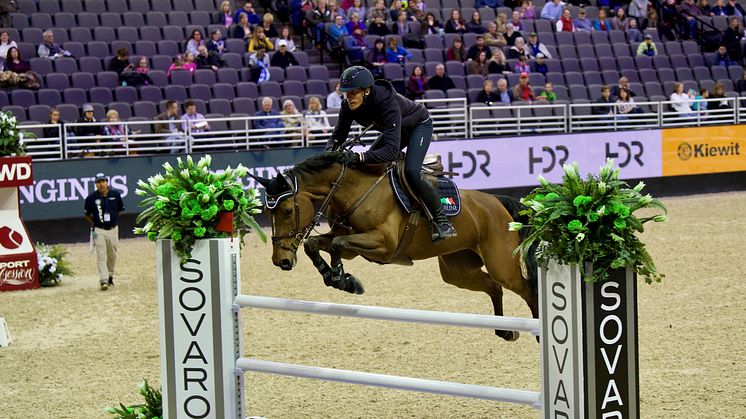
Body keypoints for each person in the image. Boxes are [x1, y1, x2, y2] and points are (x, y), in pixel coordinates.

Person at [325, 66, 456, 242]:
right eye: (346, 93)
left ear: (367, 91)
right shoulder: (347, 106)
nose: (349, 98)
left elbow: (390, 152)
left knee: (411, 171)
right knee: (368, 166)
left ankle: (442, 221)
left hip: (418, 126)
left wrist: (358, 156)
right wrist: (327, 155)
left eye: (353, 93)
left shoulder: (387, 103)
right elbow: (338, 136)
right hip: (396, 130)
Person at [84, 174, 124, 291]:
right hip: (99, 229)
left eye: (103, 181)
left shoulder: (115, 195)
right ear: (95, 184)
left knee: (112, 255)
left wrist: (114, 219)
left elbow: (121, 210)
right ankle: (103, 280)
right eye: (98, 182)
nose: (101, 184)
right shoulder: (91, 198)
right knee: (101, 255)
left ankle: (110, 275)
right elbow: (86, 214)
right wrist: (94, 223)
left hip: (113, 229)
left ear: (107, 182)